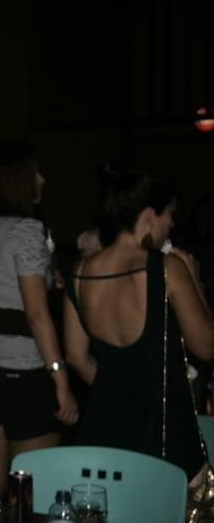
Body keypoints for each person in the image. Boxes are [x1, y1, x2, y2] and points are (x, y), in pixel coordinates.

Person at [65, 168, 214, 481]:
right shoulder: (167, 268)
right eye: (169, 214)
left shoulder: (79, 273)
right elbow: (206, 346)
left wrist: (121, 393)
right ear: (149, 216)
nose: (172, 224)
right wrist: (196, 280)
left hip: (103, 427)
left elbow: (76, 357)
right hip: (162, 433)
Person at [0, 142, 78, 502]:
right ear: (17, 179)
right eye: (35, 172)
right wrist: (61, 380)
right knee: (34, 493)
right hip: (24, 372)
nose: (42, 179)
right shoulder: (27, 229)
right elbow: (37, 314)